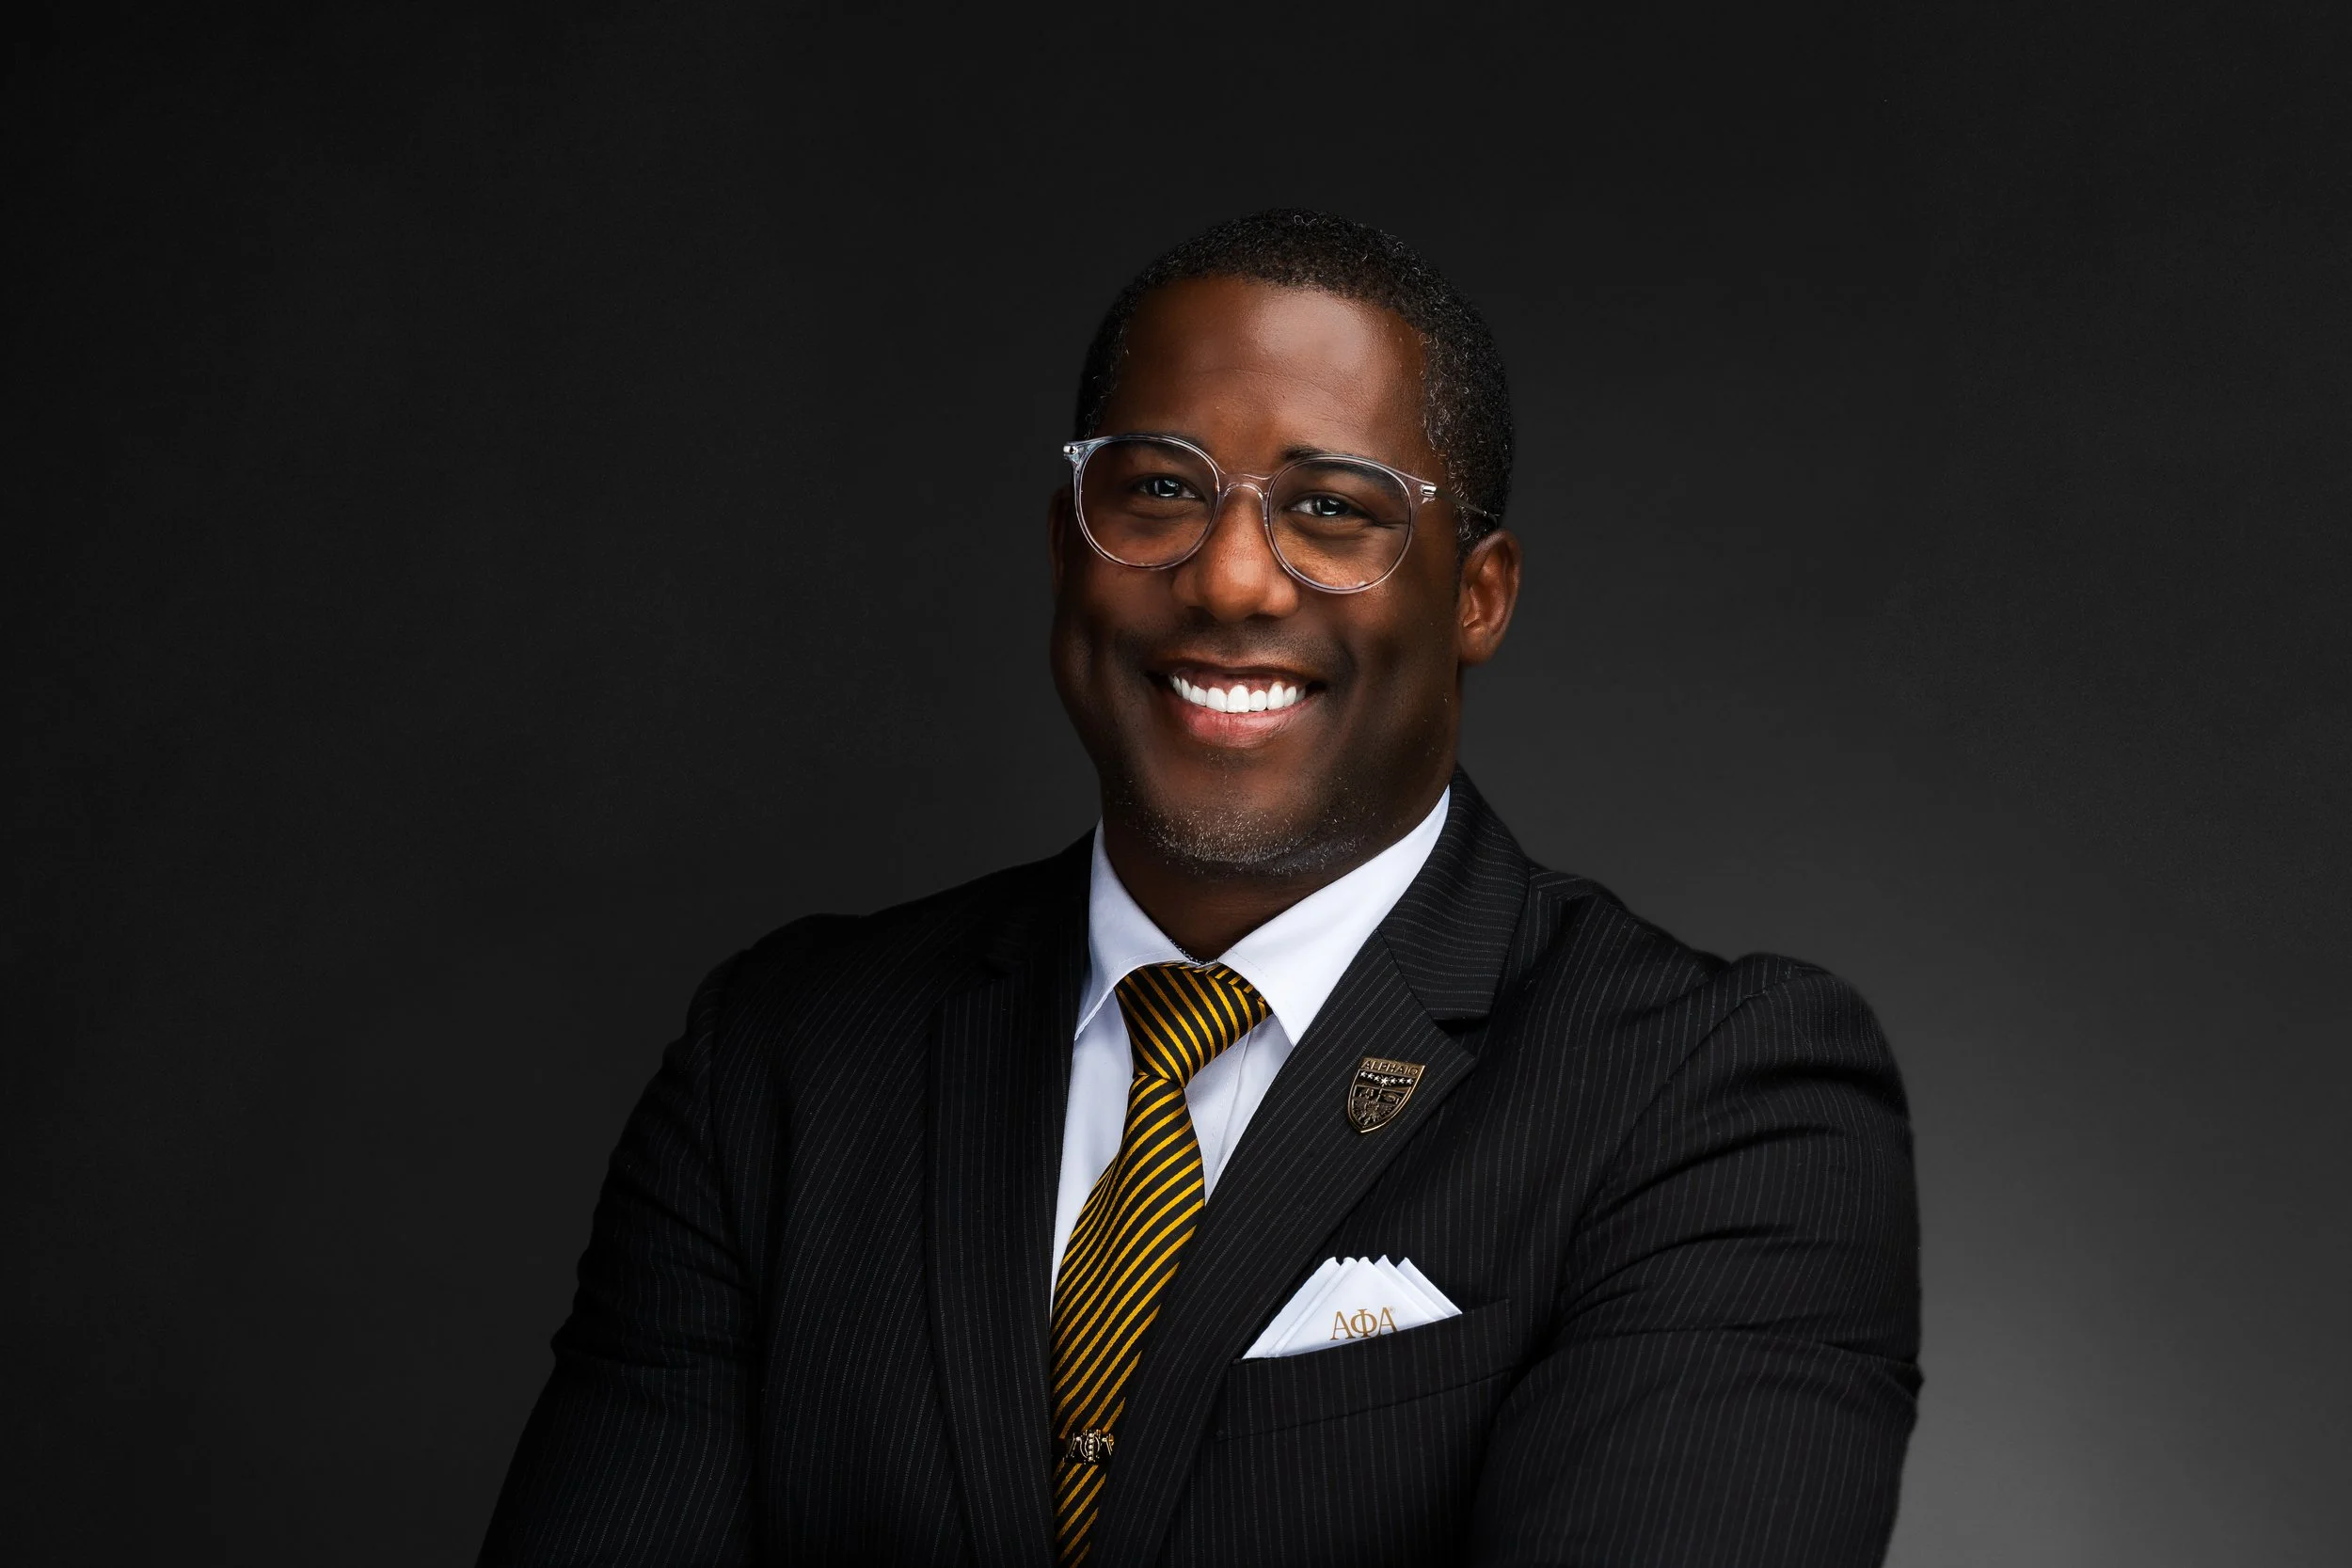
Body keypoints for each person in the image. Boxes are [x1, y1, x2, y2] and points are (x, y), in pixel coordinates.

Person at [478, 209, 1921, 1567]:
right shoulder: (784, 1063)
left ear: (1478, 595)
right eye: (1161, 488)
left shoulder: (1718, 1099)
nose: (1232, 577)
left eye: (1335, 508)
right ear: (1066, 548)